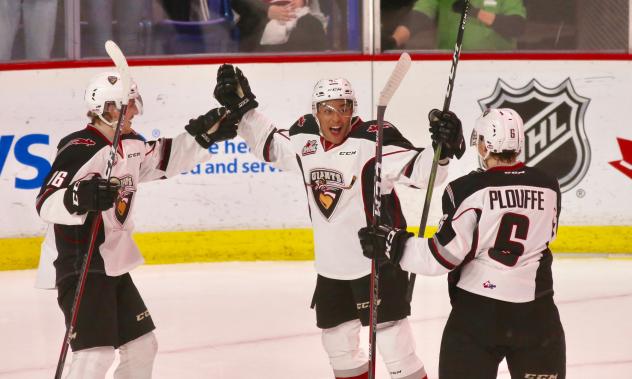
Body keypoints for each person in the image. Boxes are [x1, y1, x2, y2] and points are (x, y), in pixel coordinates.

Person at [213, 64, 466, 379]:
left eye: (344, 109)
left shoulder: (374, 138)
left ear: (353, 110)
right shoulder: (304, 136)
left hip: (376, 262)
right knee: (338, 346)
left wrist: (441, 150)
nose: (336, 118)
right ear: (316, 112)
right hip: (331, 267)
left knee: (393, 345)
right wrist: (242, 108)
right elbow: (271, 144)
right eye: (328, 110)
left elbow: (420, 173)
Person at [34, 70, 239, 378]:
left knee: (143, 346)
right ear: (107, 108)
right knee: (95, 356)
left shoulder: (130, 143)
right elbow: (46, 201)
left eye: (133, 104)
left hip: (112, 265)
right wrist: (80, 195)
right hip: (81, 266)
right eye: (126, 105)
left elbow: (164, 160)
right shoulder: (81, 146)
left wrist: (204, 137)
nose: (133, 111)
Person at [359, 108, 566, 379]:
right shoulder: (548, 186)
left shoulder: (467, 189)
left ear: (483, 144)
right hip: (537, 316)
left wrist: (393, 243)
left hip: (478, 315)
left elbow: (441, 256)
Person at [413, 0, 527, 51]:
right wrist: (395, 40)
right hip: (449, 64)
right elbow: (419, 15)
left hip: (497, 66)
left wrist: (474, 12)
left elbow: (516, 26)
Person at [231, 0, 328, 52]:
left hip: (296, 13)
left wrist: (301, 1)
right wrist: (267, 10)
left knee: (312, 25)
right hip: (259, 16)